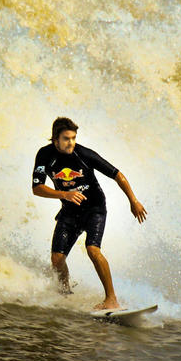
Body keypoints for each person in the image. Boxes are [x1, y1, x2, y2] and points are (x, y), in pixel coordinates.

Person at [31, 117, 147, 311]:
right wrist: (64, 195)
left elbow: (117, 174)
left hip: (94, 208)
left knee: (92, 249)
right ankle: (64, 295)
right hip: (69, 211)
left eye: (74, 138)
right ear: (55, 139)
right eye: (66, 138)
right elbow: (37, 188)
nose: (71, 143)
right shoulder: (44, 155)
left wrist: (133, 201)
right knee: (57, 259)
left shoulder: (83, 154)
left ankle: (111, 299)